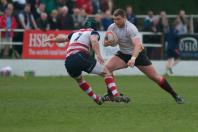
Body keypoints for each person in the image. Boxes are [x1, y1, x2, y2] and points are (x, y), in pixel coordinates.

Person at [103, 9, 184, 104]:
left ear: (124, 18)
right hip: (123, 54)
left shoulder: (131, 28)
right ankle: (112, 94)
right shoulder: (112, 27)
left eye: (118, 19)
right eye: (114, 19)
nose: (116, 21)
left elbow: (137, 45)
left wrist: (133, 58)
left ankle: (175, 95)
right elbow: (104, 43)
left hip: (138, 54)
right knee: (106, 68)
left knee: (156, 77)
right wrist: (108, 42)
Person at [44, 18, 130, 105]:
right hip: (80, 56)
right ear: (95, 27)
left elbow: (63, 38)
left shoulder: (75, 33)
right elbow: (93, 40)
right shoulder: (93, 32)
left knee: (79, 80)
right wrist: (98, 54)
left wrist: (53, 40)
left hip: (68, 61)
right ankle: (115, 95)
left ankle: (96, 99)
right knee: (107, 72)